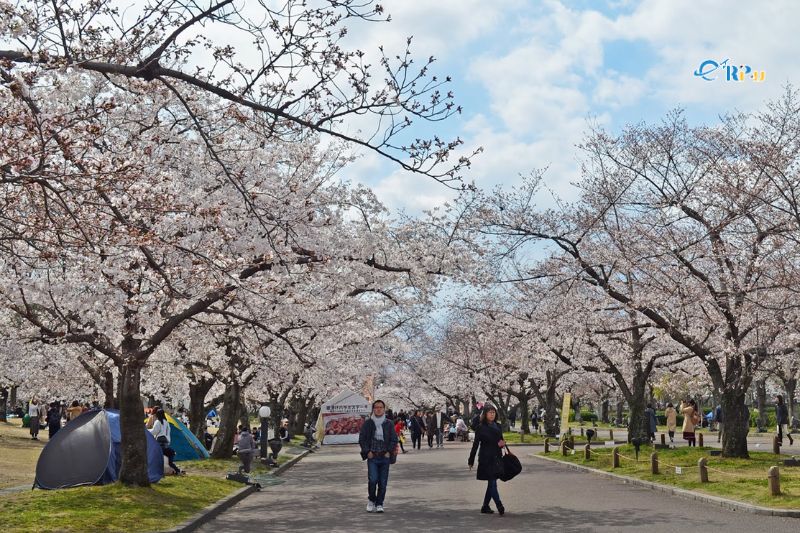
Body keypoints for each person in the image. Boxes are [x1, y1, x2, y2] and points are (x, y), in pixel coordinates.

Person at [358, 399, 398, 513]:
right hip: (373, 457)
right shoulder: (368, 423)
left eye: (381, 407)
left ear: (384, 409)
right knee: (373, 480)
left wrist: (389, 451)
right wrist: (367, 451)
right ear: (373, 409)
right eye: (376, 407)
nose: (378, 409)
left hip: (384, 457)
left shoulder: (389, 423)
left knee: (383, 482)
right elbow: (362, 439)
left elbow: (394, 439)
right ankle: (371, 500)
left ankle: (380, 503)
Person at [468, 404, 505, 516]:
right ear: (485, 414)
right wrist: (471, 459)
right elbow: (475, 445)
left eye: (494, 412)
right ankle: (499, 504)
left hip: (496, 457)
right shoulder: (480, 427)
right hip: (486, 458)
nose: (492, 414)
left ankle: (485, 506)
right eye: (490, 412)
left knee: (491, 483)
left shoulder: (498, 426)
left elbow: (501, 440)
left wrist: (502, 443)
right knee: (493, 483)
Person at [150, 409, 182, 475]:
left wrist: (147, 430)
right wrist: (168, 441)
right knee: (168, 460)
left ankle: (155, 471)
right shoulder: (166, 422)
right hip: (166, 442)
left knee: (156, 457)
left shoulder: (158, 422)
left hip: (159, 441)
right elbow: (168, 433)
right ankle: (177, 470)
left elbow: (154, 431)